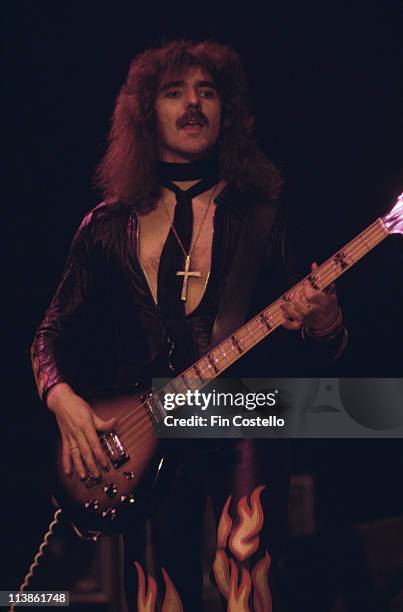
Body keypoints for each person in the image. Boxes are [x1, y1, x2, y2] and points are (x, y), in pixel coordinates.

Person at [31, 40, 347, 611]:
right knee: (157, 599)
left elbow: (324, 358)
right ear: (145, 113)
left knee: (248, 585)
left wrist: (325, 323)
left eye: (207, 91)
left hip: (245, 416)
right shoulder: (105, 226)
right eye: (174, 93)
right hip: (142, 439)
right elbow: (49, 334)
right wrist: (63, 401)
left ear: (228, 111)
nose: (193, 104)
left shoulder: (263, 215)